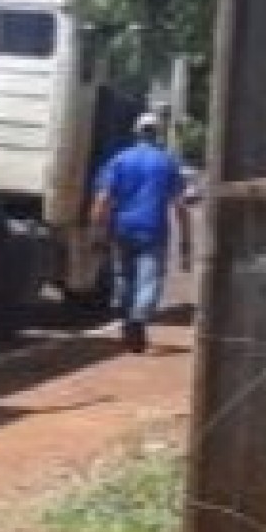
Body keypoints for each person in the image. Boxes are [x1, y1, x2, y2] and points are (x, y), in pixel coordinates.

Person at [90, 111, 194, 353]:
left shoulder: (119, 160)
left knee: (124, 277)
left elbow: (102, 199)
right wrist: (186, 245)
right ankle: (137, 319)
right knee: (149, 280)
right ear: (157, 134)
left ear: (136, 132)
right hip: (153, 230)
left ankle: (128, 320)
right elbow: (181, 206)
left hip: (122, 228)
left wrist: (98, 232)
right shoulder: (167, 163)